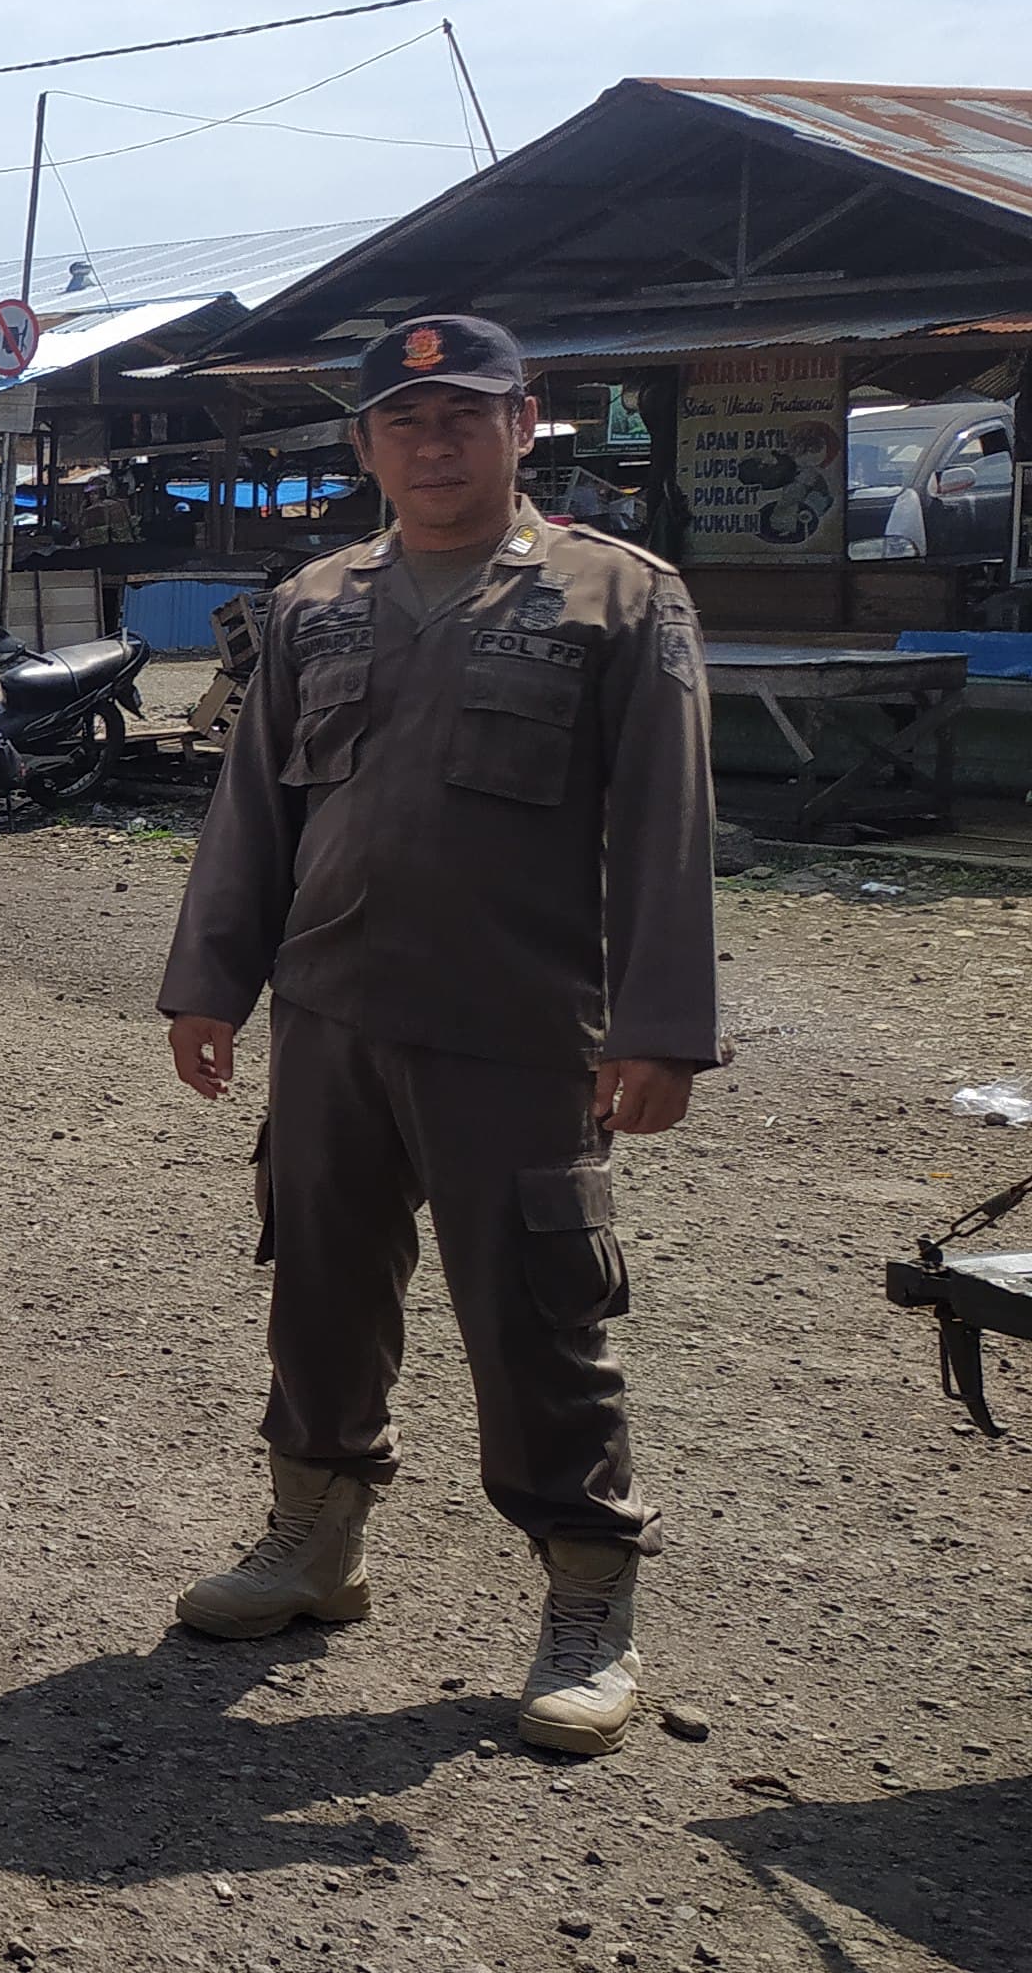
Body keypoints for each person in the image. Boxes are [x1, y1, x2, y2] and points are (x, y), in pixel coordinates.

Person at [159, 313, 719, 1759]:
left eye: (466, 415)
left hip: (518, 1031)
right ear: (366, 447)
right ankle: (312, 1544)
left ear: (525, 424)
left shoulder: (619, 597)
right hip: (333, 1015)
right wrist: (209, 981)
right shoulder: (318, 602)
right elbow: (256, 814)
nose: (435, 442)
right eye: (405, 423)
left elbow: (668, 832)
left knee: (538, 1318)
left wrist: (658, 1030)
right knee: (322, 1289)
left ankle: (590, 1598)